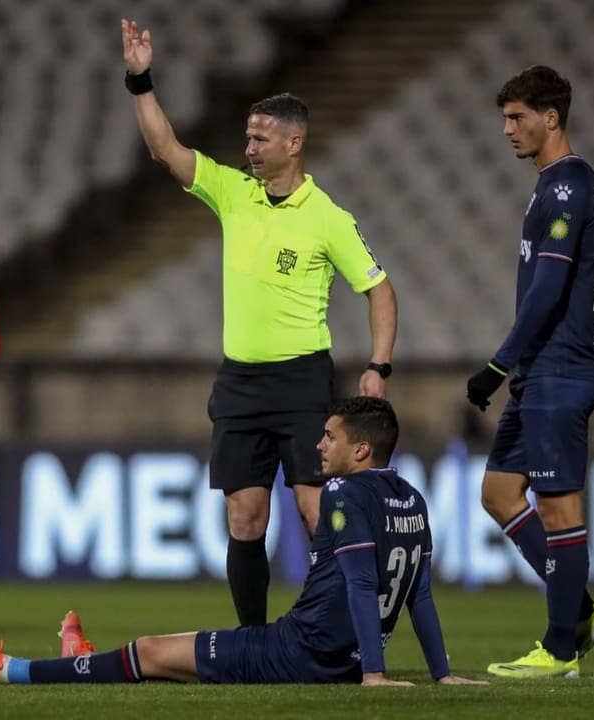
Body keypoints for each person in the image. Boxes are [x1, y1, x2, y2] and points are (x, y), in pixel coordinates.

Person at [120, 18, 398, 626]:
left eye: (260, 139)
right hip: (240, 383)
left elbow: (379, 291)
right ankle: (252, 640)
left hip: (302, 382)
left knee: (313, 511)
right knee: (245, 516)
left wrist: (377, 367)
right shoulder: (232, 192)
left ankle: (335, 631)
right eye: (247, 137)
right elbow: (165, 149)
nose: (248, 148)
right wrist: (140, 79)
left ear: (293, 144)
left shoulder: (327, 217)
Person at [0, 398, 485, 687]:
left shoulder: (344, 492)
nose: (318, 445)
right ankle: (84, 663)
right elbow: (420, 597)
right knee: (164, 663)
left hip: (298, 653)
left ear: (361, 450)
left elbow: (364, 582)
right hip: (336, 658)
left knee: (150, 651)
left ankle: (11, 670)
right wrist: (443, 673)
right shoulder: (412, 498)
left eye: (330, 437)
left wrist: (373, 676)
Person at [465, 65, 594, 678]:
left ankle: (561, 647)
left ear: (552, 118)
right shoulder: (551, 185)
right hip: (545, 368)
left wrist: (497, 366)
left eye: (518, 117)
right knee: (499, 493)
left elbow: (548, 288)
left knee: (560, 508)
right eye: (505, 117)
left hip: (562, 366)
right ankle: (581, 611)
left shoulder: (568, 187)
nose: (506, 129)